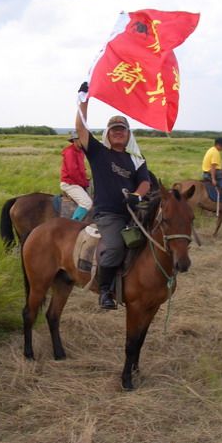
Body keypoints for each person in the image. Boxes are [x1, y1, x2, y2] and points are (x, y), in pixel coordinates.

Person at [75, 82, 151, 310]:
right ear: (108, 134)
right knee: (116, 246)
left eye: (122, 129)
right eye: (114, 129)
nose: (118, 132)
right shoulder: (99, 153)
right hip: (109, 213)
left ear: (129, 134)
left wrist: (137, 196)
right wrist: (83, 100)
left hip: (133, 211)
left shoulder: (136, 158)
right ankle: (105, 290)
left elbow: (145, 181)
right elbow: (80, 130)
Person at [60, 130, 92, 221]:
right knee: (87, 203)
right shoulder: (70, 152)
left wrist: (86, 179)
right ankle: (73, 224)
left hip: (77, 182)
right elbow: (72, 172)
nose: (83, 141)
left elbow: (79, 170)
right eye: (81, 139)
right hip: (70, 183)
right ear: (75, 140)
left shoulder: (80, 151)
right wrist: (84, 183)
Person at [202, 137, 222, 214]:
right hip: (212, 174)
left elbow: (217, 166)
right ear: (218, 145)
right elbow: (213, 167)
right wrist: (213, 179)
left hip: (205, 172)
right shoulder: (216, 153)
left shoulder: (211, 150)